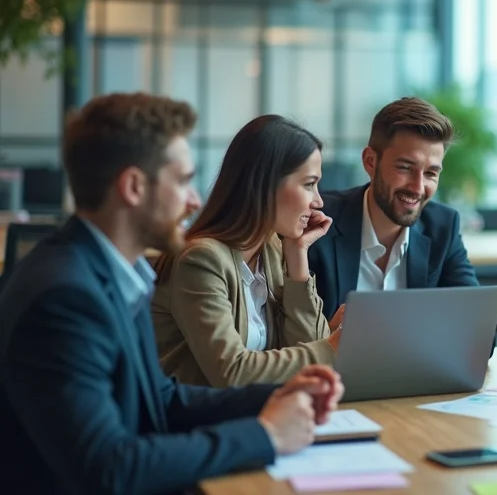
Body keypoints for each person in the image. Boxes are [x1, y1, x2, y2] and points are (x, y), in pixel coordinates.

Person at [0, 93, 344, 494]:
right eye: (182, 181)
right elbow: (107, 467)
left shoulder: (111, 274)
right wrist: (265, 436)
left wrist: (278, 393)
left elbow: (162, 399)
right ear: (132, 187)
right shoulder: (65, 298)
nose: (195, 200)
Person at [152, 115, 343, 387]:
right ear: (266, 185)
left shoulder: (272, 251)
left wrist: (298, 255)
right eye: (309, 184)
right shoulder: (200, 260)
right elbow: (232, 373)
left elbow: (310, 353)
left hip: (263, 413)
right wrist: (331, 347)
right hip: (200, 422)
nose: (318, 201)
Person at [308, 97, 479, 326]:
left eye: (430, 173)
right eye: (405, 168)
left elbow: (478, 330)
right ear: (370, 162)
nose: (418, 188)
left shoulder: (443, 227)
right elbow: (289, 336)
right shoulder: (319, 221)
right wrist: (328, 337)